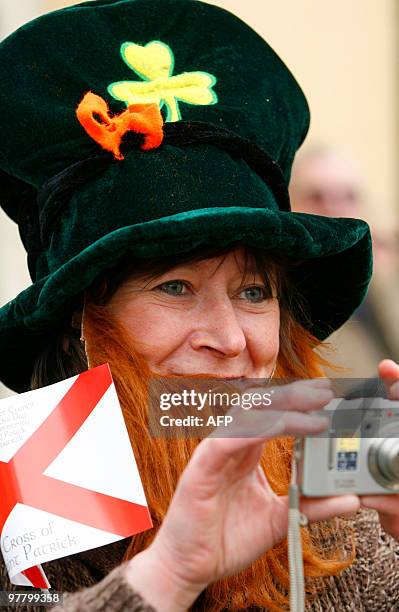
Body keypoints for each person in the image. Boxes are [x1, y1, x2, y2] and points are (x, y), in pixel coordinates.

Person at [1, 1, 399, 610]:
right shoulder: (16, 519)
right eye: (175, 288)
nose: (233, 339)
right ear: (72, 328)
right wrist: (165, 575)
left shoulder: (340, 508)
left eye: (254, 292)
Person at [289, 146, 399, 376]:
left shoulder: (384, 282)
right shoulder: (285, 301)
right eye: (316, 197)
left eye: (348, 196)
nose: (335, 209)